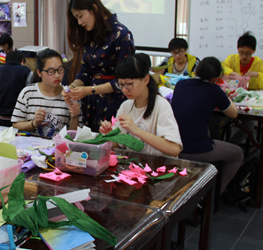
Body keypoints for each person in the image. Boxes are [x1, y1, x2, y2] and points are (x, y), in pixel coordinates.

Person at [64, 0, 135, 132]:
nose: (79, 22)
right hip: (91, 103)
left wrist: (89, 90)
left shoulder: (122, 35)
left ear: (94, 9)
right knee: (91, 145)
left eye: (80, 16)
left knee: (111, 144)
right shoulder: (90, 36)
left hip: (115, 103)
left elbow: (125, 81)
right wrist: (71, 88)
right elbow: (84, 73)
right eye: (76, 18)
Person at [172, 57, 243, 193]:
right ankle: (216, 192)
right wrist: (225, 95)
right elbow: (233, 114)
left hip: (174, 147)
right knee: (238, 154)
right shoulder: (214, 90)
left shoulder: (181, 85)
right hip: (197, 149)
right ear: (216, 77)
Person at [100, 55, 182, 157]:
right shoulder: (126, 106)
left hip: (158, 167)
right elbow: (119, 145)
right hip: (133, 166)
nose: (125, 89)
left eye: (129, 84)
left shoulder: (161, 105)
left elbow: (174, 149)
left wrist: (137, 130)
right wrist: (109, 135)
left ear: (146, 80)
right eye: (120, 84)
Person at [12, 49, 80, 137]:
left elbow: (74, 137)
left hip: (59, 149)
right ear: (39, 72)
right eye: (51, 72)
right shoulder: (27, 93)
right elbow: (16, 124)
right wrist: (34, 123)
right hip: (31, 148)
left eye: (60, 70)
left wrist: (75, 117)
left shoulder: (70, 96)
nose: (57, 75)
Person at [0, 50, 32, 126]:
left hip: (0, 114)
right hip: (20, 116)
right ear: (22, 60)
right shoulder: (26, 71)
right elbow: (30, 94)